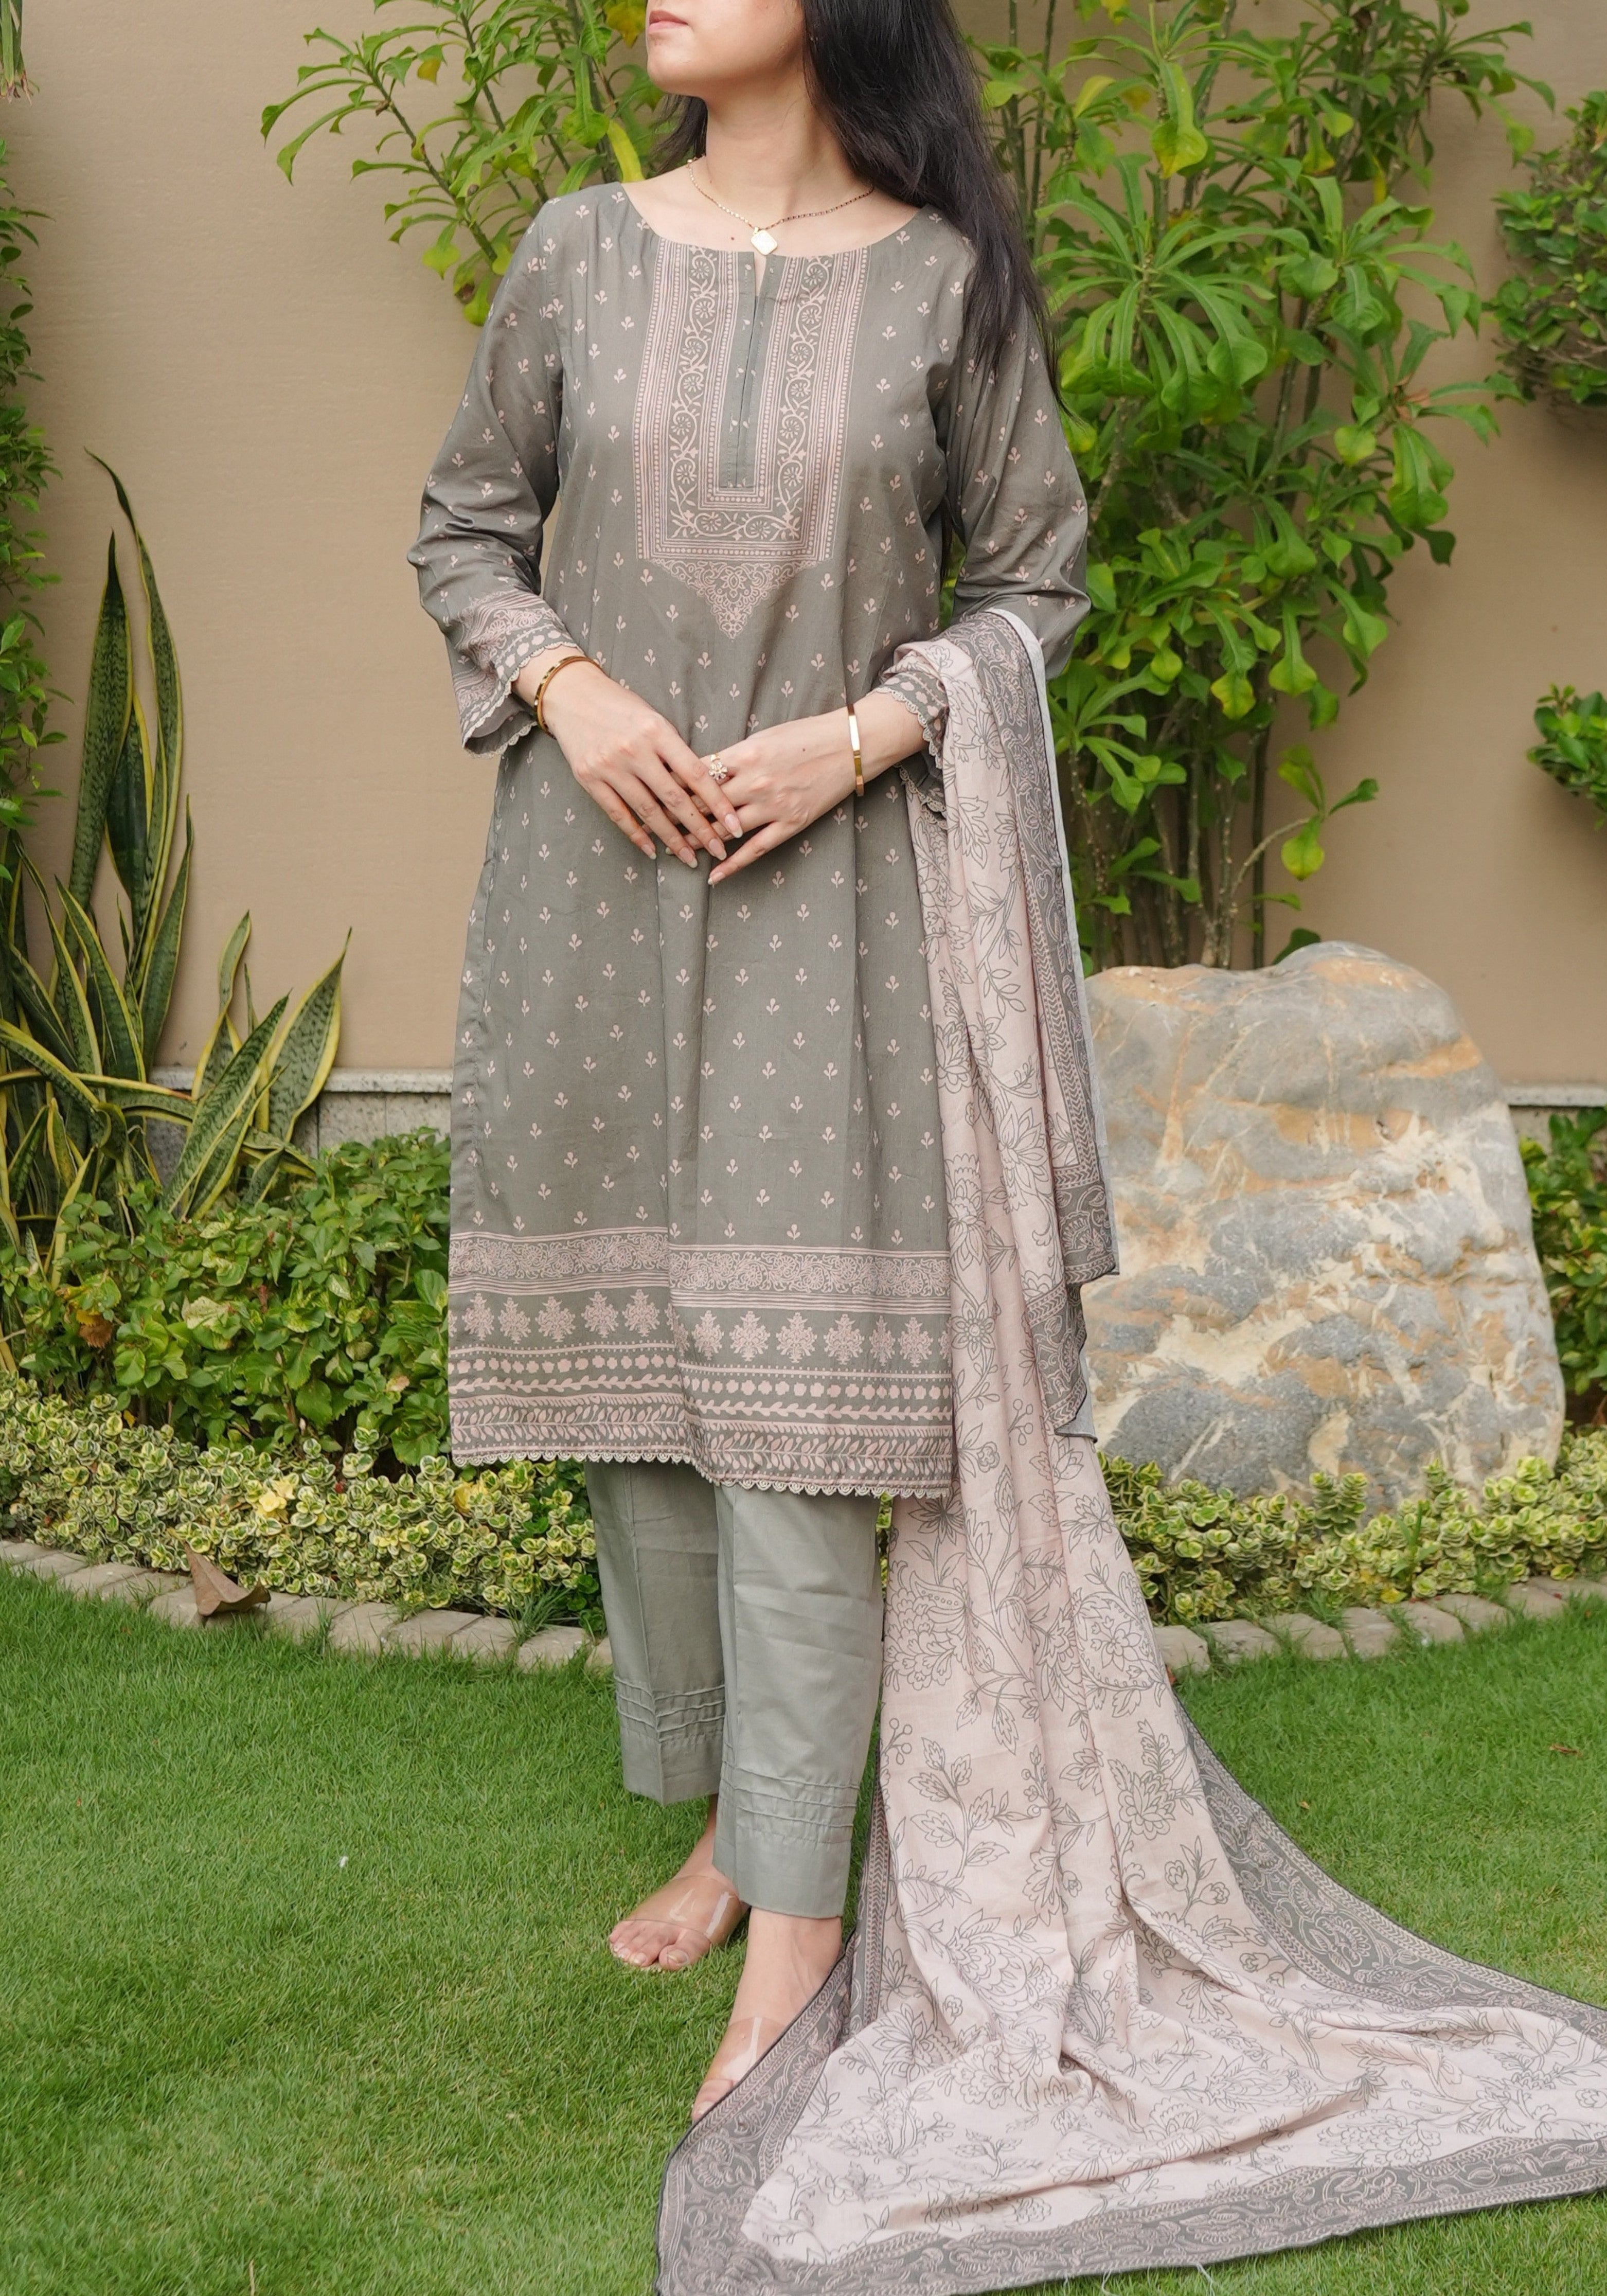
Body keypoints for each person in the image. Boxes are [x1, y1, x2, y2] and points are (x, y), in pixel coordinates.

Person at [410, 0, 1088, 2120]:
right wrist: (574, 689)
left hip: (833, 899)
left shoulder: (944, 281)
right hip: (590, 887)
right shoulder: (574, 251)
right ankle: (730, 1825)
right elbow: (463, 527)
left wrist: (860, 737)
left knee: (804, 1400)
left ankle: (798, 1922)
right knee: (644, 1401)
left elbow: (1038, 582)